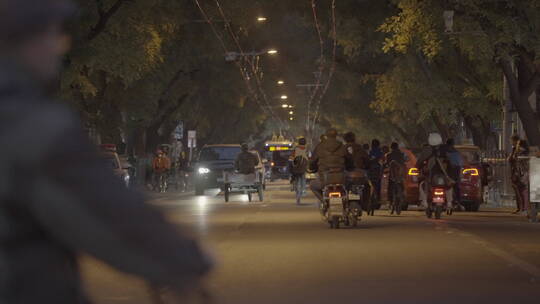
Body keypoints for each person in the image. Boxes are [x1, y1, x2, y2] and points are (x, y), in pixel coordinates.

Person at [0, 1, 212, 303]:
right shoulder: (29, 127)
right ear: (24, 41)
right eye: (54, 36)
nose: (59, 48)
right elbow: (112, 215)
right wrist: (183, 259)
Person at [310, 128, 347, 212]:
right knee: (349, 188)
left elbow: (312, 161)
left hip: (325, 180)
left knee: (312, 185)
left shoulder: (320, 147)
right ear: (336, 135)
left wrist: (312, 168)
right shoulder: (342, 146)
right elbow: (349, 160)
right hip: (341, 179)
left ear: (326, 136)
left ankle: (324, 201)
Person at [416, 133, 453, 208]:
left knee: (422, 185)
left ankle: (424, 202)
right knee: (449, 185)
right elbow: (451, 161)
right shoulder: (446, 149)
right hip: (444, 175)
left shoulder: (427, 150)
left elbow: (419, 162)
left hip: (431, 176)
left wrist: (418, 167)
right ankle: (449, 202)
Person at [509, 135, 530, 214]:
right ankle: (521, 208)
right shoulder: (515, 150)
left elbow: (516, 160)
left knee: (523, 189)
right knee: (519, 190)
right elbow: (511, 159)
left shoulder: (522, 152)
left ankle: (524, 208)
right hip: (517, 172)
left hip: (522, 172)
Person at [444, 138, 464, 208]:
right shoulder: (456, 152)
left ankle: (453, 202)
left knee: (449, 186)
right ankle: (457, 202)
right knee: (456, 186)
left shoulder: (444, 151)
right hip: (455, 171)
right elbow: (460, 164)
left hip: (448, 171)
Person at [290, 137, 309, 203]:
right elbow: (309, 159)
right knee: (303, 179)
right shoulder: (307, 150)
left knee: (295, 178)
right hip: (303, 169)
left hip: (295, 169)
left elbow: (291, 159)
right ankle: (303, 190)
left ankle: (293, 186)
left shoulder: (295, 149)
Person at [368, 139, 384, 203]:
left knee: (368, 183)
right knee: (378, 184)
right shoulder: (380, 152)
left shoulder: (370, 152)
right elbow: (382, 161)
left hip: (370, 170)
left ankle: (368, 197)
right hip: (377, 170)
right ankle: (378, 198)